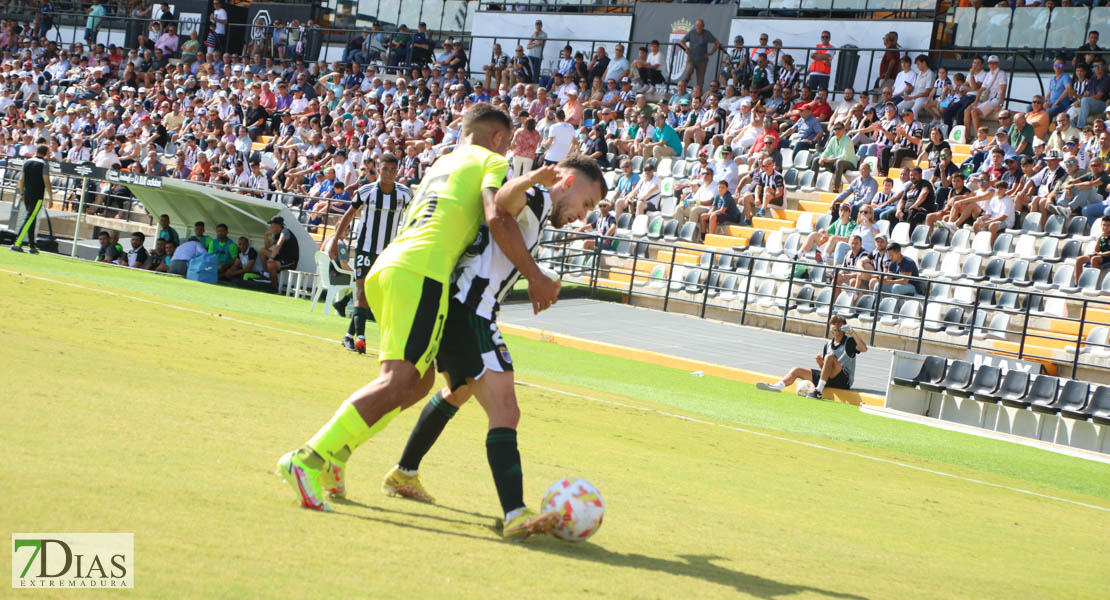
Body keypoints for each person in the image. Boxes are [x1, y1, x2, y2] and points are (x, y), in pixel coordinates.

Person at [276, 105, 559, 521]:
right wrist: (534, 275)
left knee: (417, 382)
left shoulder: (441, 163)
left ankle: (338, 456)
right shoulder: (492, 161)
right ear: (499, 138)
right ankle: (308, 458)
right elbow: (496, 214)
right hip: (423, 271)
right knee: (400, 380)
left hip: (391, 266)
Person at [379, 156, 605, 539]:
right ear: (567, 182)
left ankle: (404, 473)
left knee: (458, 391)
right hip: (470, 312)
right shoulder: (535, 196)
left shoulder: (537, 207)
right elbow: (502, 202)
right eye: (586, 203)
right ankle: (515, 513)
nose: (582, 216)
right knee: (506, 409)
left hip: (465, 309)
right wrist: (531, 179)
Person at [331, 154, 413, 354]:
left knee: (373, 295)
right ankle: (360, 338)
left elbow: (413, 218)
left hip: (388, 252)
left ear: (397, 171)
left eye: (393, 170)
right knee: (362, 290)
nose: (389, 173)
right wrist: (335, 239)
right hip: (365, 248)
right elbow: (349, 214)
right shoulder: (366, 191)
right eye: (385, 169)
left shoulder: (405, 194)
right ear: (378, 168)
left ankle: (349, 335)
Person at [756, 315, 867, 399]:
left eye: (839, 324)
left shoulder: (849, 342)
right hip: (830, 379)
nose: (836, 326)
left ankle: (818, 392)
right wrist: (820, 363)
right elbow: (825, 369)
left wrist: (852, 332)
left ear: (844, 327)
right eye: (833, 324)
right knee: (796, 370)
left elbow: (864, 348)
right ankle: (777, 386)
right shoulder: (828, 345)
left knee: (829, 357)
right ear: (830, 327)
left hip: (843, 381)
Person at [10, 145, 52, 254]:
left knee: (31, 219)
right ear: (46, 153)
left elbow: (21, 179)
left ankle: (32, 246)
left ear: (37, 151)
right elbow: (46, 181)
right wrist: (51, 196)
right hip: (37, 195)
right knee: (30, 218)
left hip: (27, 194)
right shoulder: (44, 164)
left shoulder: (27, 162)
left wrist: (22, 193)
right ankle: (17, 243)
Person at [258, 216, 299, 292]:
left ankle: (275, 288)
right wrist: (266, 235)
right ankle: (267, 275)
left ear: (278, 226)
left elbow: (279, 244)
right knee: (262, 251)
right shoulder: (277, 234)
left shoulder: (285, 232)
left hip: (290, 261)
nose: (271, 227)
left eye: (272, 226)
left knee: (270, 264)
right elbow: (267, 246)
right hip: (281, 257)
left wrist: (271, 258)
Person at [677, 19, 720, 92]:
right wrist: (686, 48)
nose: (699, 27)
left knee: (700, 79)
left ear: (703, 26)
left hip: (702, 60)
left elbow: (717, 43)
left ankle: (698, 94)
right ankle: (684, 86)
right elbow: (681, 41)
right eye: (697, 25)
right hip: (692, 57)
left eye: (701, 25)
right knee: (689, 71)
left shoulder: (707, 33)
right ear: (695, 26)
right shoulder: (692, 33)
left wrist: (711, 53)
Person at [1075, 218, 1110, 286]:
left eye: (1108, 225)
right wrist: (1099, 239)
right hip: (1101, 255)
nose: (1105, 227)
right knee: (1079, 259)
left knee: (1094, 259)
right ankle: (1078, 284)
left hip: (1108, 256)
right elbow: (1096, 250)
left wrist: (1100, 254)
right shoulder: (1102, 236)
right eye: (1104, 225)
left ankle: (1093, 284)